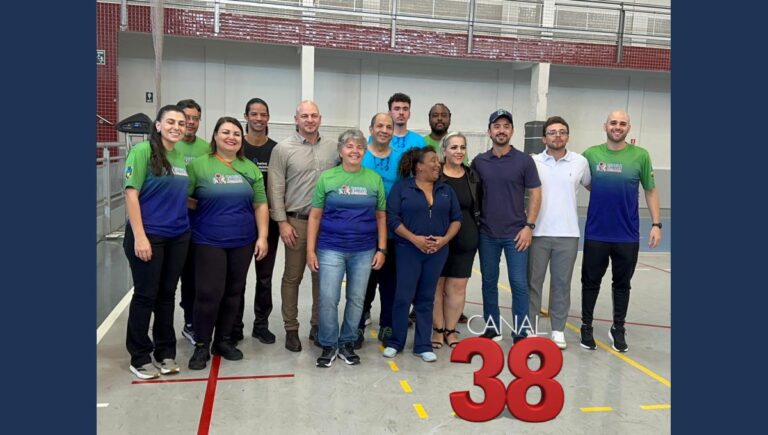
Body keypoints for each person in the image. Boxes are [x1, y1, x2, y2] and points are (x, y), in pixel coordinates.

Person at [185, 116, 269, 370]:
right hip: (208, 240)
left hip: (242, 240)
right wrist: (203, 208)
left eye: (235, 133)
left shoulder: (250, 168)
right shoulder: (199, 166)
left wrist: (263, 236)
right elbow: (184, 198)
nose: (231, 137)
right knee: (208, 293)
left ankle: (222, 340)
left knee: (234, 292)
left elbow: (260, 204)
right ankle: (202, 344)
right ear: (215, 136)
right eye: (225, 132)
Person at [580, 109, 662, 353]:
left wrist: (656, 224)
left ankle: (618, 328)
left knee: (622, 284)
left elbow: (650, 190)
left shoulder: (641, 156)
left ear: (629, 128)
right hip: (596, 233)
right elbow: (585, 182)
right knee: (590, 282)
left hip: (627, 235)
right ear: (605, 126)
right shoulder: (590, 155)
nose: (617, 127)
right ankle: (586, 326)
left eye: (622, 123)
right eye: (613, 123)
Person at [307, 129, 387, 367]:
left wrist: (382, 249)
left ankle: (347, 342)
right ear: (341, 151)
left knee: (356, 299)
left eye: (360, 147)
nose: (355, 151)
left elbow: (381, 216)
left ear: (365, 151)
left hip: (364, 250)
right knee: (328, 298)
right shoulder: (327, 178)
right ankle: (329, 343)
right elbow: (315, 216)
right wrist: (310, 251)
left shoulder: (374, 179)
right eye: (350, 146)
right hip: (331, 248)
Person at [123, 105, 191, 379]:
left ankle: (165, 352)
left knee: (167, 295)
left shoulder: (180, 155)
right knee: (145, 295)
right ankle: (139, 356)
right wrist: (140, 236)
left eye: (181, 123)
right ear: (159, 125)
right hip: (149, 235)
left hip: (178, 235)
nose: (177, 127)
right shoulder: (142, 151)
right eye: (171, 122)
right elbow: (131, 194)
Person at [268, 100, 338, 352]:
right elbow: (275, 187)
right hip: (296, 222)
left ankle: (317, 326)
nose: (310, 120)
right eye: (305, 116)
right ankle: (291, 328)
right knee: (292, 277)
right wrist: (282, 223)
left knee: (322, 277)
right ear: (295, 119)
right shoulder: (282, 149)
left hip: (327, 224)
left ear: (320, 119)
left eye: (314, 115)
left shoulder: (333, 148)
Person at [382, 146, 462, 362]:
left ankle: (423, 345)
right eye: (433, 160)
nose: (438, 164)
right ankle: (395, 342)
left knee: (426, 298)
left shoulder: (446, 190)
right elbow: (392, 218)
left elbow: (456, 219)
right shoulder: (402, 188)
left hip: (437, 252)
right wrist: (414, 239)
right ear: (419, 166)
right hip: (408, 250)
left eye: (438, 161)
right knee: (403, 296)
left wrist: (443, 240)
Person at [471, 109, 541, 342]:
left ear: (512, 131)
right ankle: (492, 327)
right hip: (487, 233)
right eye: (497, 126)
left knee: (519, 284)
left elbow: (535, 193)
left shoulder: (525, 161)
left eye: (506, 126)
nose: (501, 130)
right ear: (489, 131)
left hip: (516, 234)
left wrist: (529, 226)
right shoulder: (479, 161)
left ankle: (521, 331)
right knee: (488, 282)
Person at [528, 116, 590, 350]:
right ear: (544, 138)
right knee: (533, 283)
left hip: (568, 234)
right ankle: (531, 327)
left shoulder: (580, 162)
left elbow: (593, 186)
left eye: (562, 132)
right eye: (552, 132)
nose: (557, 136)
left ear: (568, 136)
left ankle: (557, 330)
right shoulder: (533, 162)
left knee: (561, 284)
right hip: (537, 233)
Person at [232, 97, 280, 345]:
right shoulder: (236, 147)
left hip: (268, 223)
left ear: (268, 117)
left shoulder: (276, 150)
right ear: (246, 116)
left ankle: (261, 325)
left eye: (263, 114)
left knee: (265, 277)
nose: (259, 118)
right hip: (239, 222)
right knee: (237, 278)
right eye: (254, 114)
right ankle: (234, 325)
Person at [354, 113, 401, 349]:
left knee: (390, 282)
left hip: (392, 231)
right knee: (364, 282)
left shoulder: (400, 158)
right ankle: (357, 325)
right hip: (363, 230)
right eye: (379, 125)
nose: (384, 130)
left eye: (388, 126)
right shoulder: (359, 156)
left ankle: (387, 324)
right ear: (371, 128)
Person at [432, 132, 480, 349]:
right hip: (438, 239)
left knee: (457, 288)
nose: (459, 151)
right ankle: (437, 329)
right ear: (444, 150)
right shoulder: (435, 175)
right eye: (454, 147)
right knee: (437, 286)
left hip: (466, 240)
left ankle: (451, 330)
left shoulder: (473, 176)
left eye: (462, 147)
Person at [174, 99, 211, 346]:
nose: (190, 122)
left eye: (195, 118)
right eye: (186, 117)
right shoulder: (167, 146)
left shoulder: (206, 148)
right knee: (167, 280)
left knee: (194, 276)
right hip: (169, 224)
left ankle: (191, 322)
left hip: (198, 225)